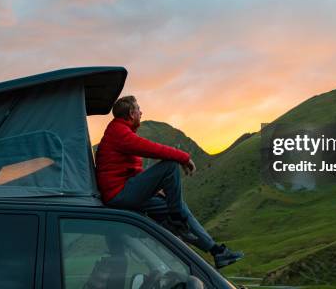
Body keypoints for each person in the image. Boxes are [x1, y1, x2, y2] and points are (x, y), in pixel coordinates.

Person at [95, 95, 244, 269]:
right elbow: (150, 148)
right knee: (171, 166)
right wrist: (184, 158)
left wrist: (155, 189)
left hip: (124, 191)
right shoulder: (119, 133)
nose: (141, 112)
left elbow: (132, 172)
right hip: (119, 195)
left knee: (177, 206)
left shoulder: (120, 132)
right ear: (131, 113)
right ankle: (176, 220)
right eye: (138, 109)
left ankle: (216, 251)